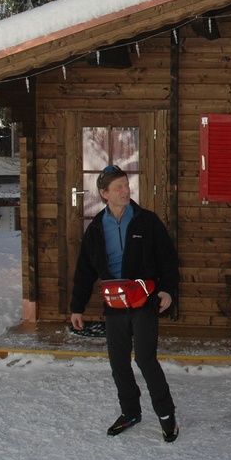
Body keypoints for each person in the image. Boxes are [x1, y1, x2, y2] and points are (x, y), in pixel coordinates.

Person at [70, 165, 180, 443]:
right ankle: (130, 412)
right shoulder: (96, 228)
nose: (125, 190)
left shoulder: (147, 221)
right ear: (104, 194)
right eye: (118, 187)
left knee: (144, 359)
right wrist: (77, 307)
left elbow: (168, 259)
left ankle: (166, 415)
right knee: (118, 361)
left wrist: (167, 291)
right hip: (114, 304)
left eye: (126, 185)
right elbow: (84, 271)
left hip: (144, 301)